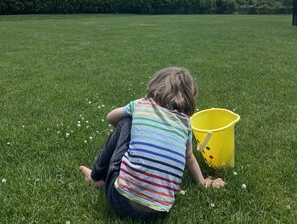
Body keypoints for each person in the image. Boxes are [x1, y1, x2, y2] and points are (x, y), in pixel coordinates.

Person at [80, 67, 225, 220]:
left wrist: (131, 130)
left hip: (119, 201)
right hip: (158, 212)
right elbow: (189, 157)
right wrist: (203, 183)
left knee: (126, 121)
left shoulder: (140, 104)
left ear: (155, 86)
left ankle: (95, 177)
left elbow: (110, 118)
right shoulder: (185, 123)